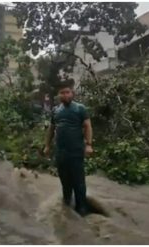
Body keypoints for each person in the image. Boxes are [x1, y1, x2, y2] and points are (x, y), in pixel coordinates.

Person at [43, 83, 93, 216]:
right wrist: (47, 145)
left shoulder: (80, 108)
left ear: (72, 94)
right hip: (60, 151)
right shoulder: (55, 110)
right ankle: (66, 203)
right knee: (64, 179)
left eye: (67, 92)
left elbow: (88, 126)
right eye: (62, 93)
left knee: (78, 180)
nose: (65, 95)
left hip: (76, 150)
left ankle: (82, 207)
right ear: (59, 95)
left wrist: (88, 145)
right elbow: (51, 129)